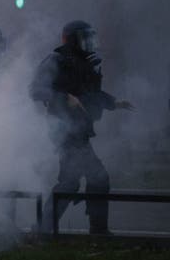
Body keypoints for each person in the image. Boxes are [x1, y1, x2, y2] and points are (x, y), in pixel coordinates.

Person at [30, 20, 134, 234]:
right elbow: (36, 90)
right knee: (98, 177)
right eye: (84, 37)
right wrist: (64, 96)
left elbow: (91, 94)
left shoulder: (85, 63)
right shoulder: (56, 60)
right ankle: (97, 231)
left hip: (79, 130)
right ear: (71, 39)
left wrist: (114, 102)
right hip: (64, 130)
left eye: (90, 37)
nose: (89, 42)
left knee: (70, 183)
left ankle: (44, 230)